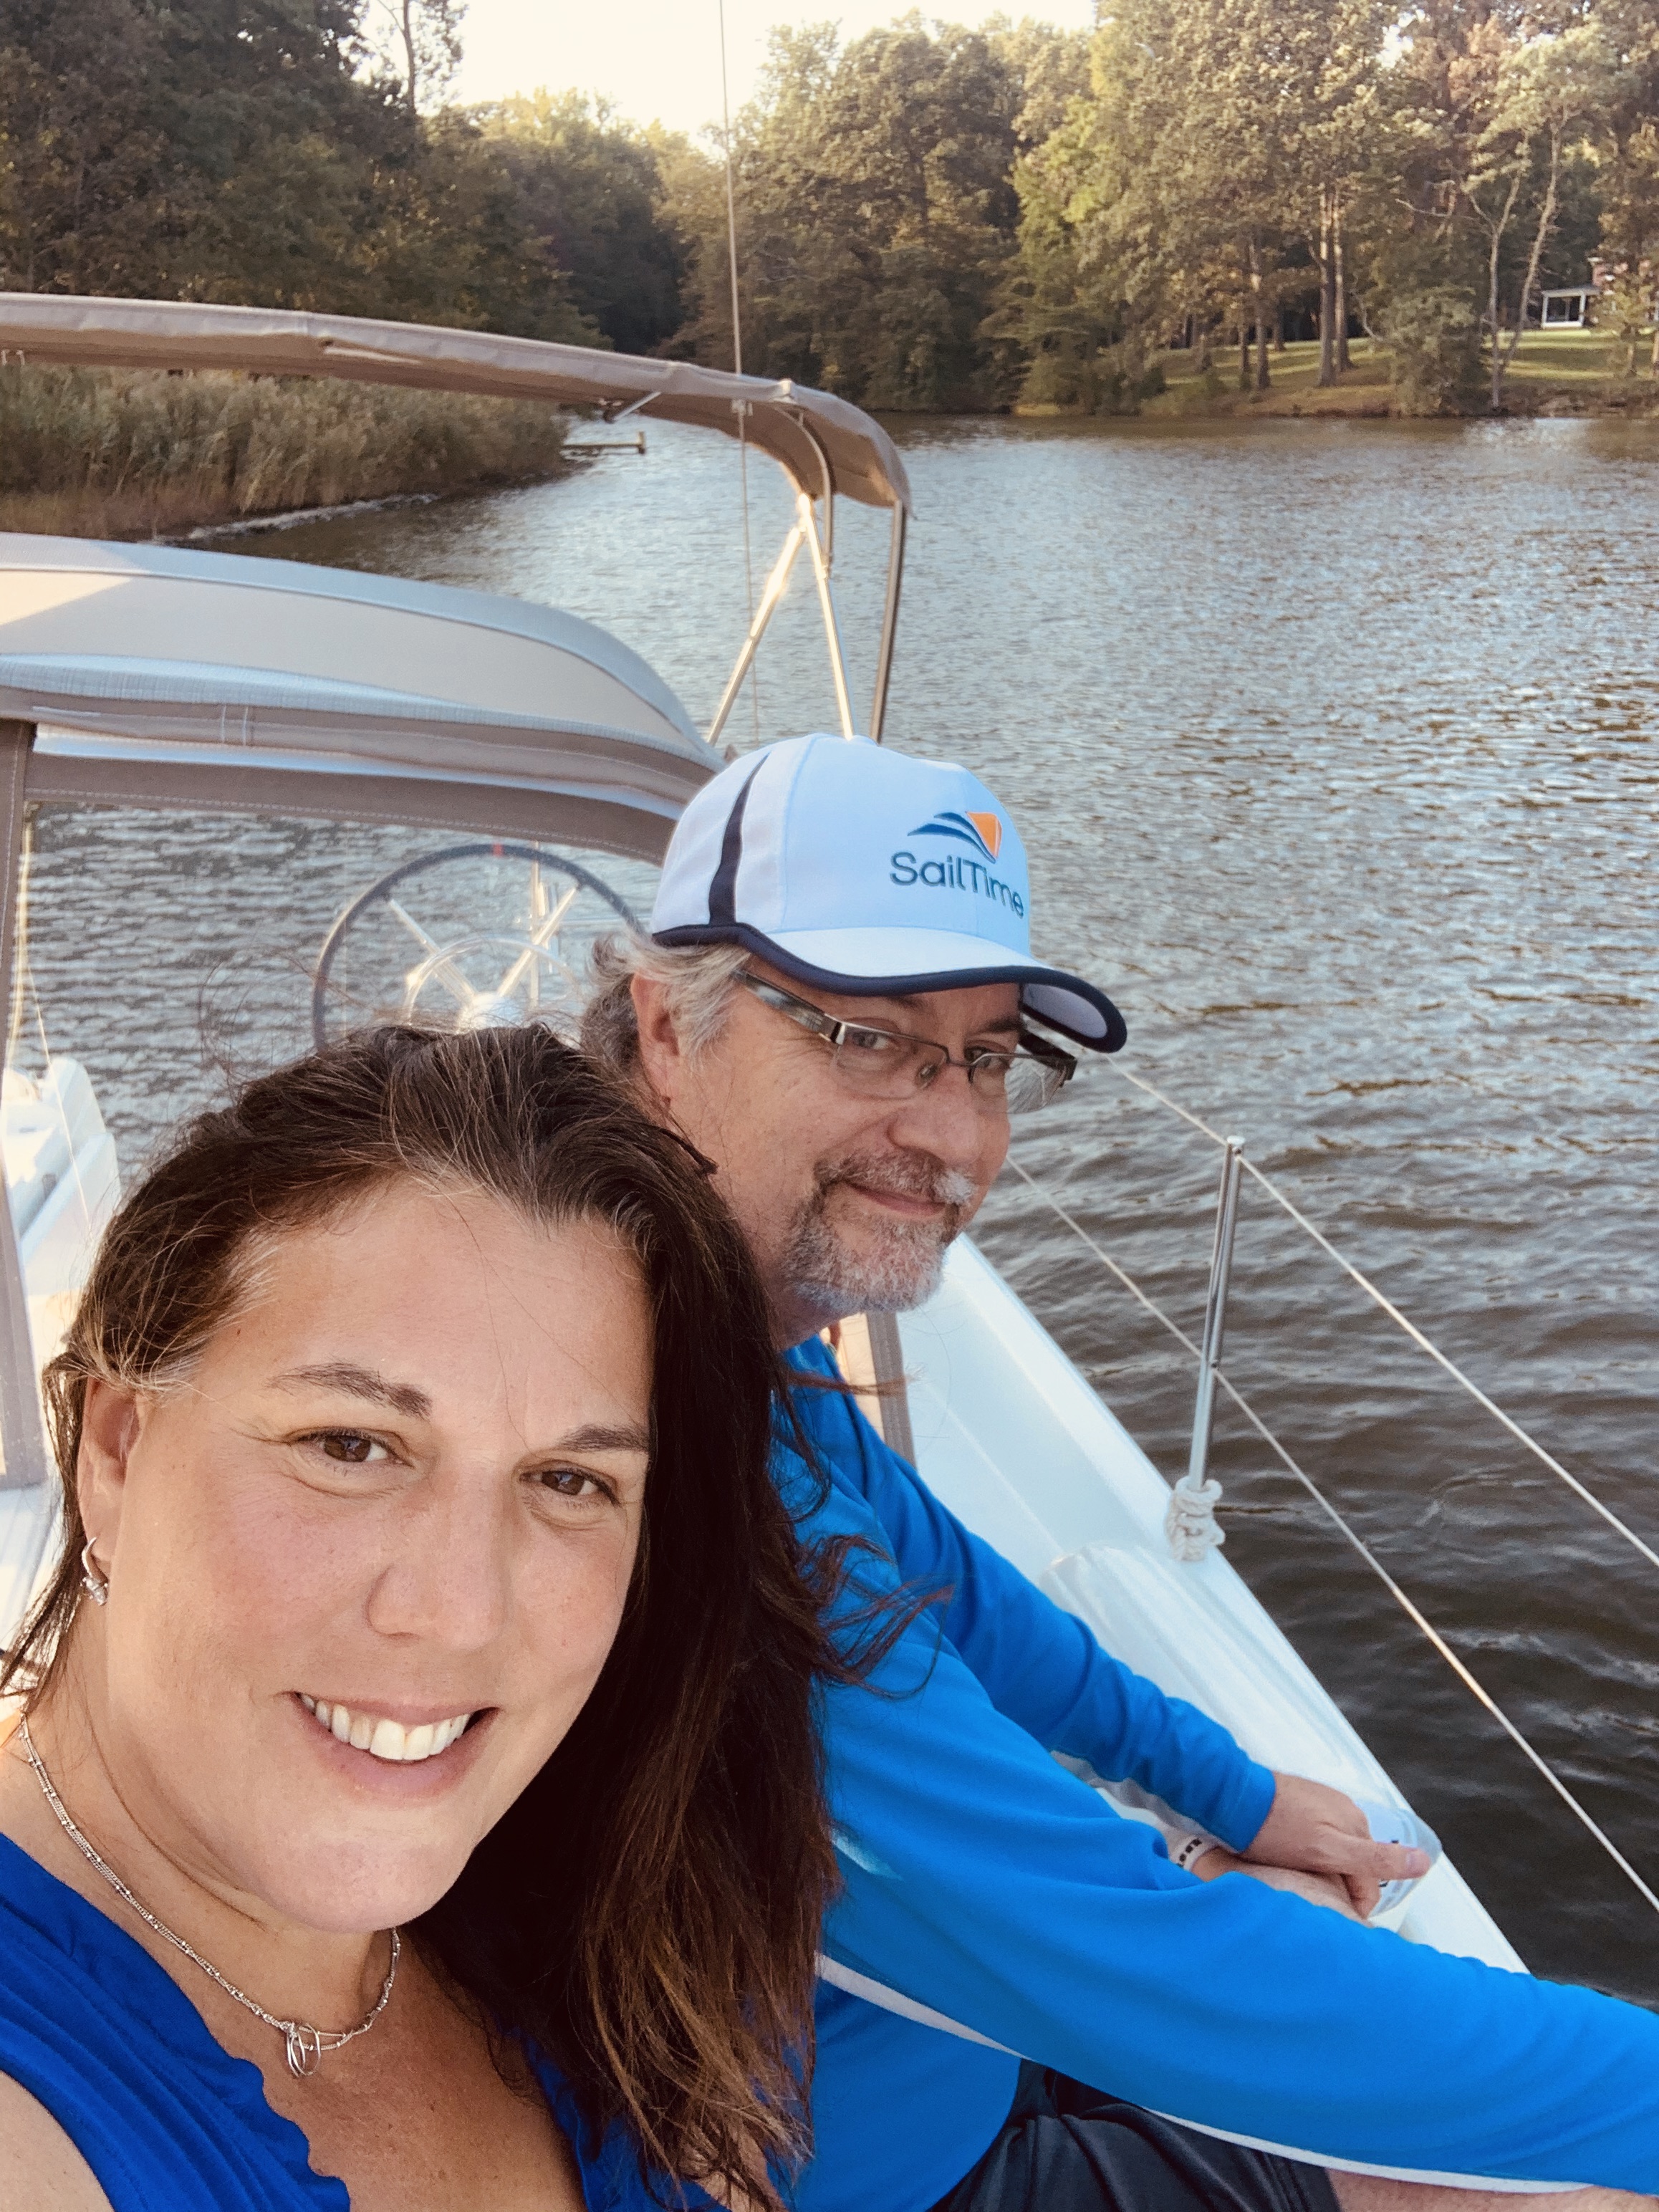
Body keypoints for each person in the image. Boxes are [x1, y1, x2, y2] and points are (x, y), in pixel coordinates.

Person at [581, 731, 1659, 2212]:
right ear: (663, 1024)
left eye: (986, 1057)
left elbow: (959, 1592)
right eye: (867, 1036)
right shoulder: (637, 1462)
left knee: (1294, 1901)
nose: (953, 1131)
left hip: (908, 2051)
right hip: (874, 2172)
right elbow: (1138, 1959)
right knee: (1537, 2181)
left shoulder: (722, 1321)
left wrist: (1226, 1787)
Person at [0, 1023, 861, 2212]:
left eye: (571, 1481)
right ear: (116, 1450)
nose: (458, 1612)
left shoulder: (596, 1894)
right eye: (351, 1446)